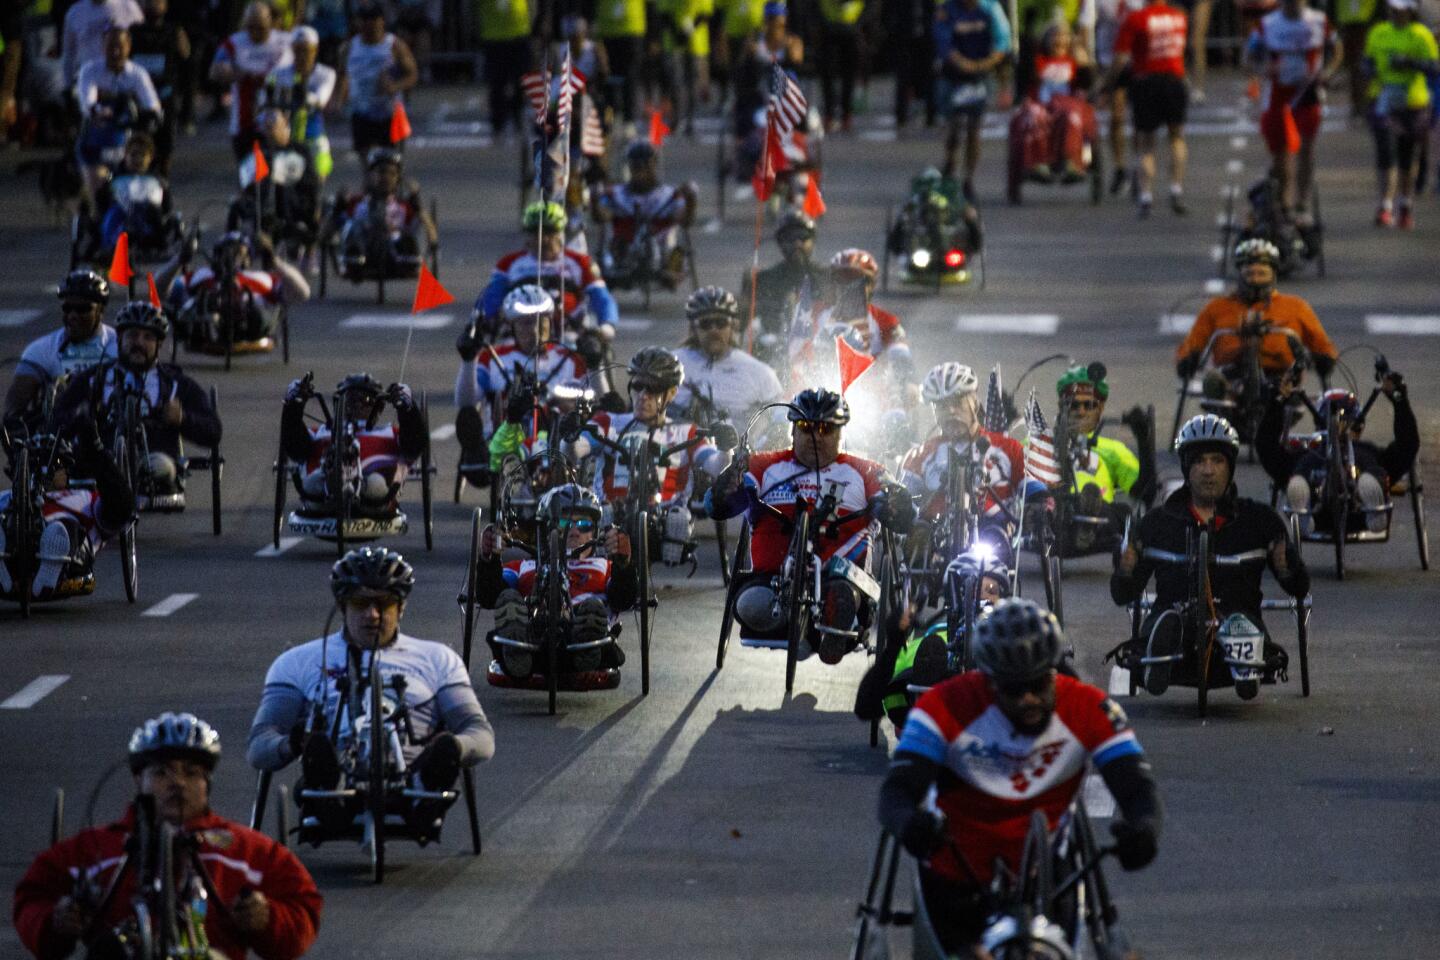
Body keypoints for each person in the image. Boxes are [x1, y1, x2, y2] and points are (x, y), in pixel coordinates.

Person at [877, 599, 1161, 955]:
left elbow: (1136, 786)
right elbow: (896, 791)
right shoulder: (943, 706)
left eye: (1038, 684)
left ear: (1054, 671)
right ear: (990, 681)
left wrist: (1145, 827)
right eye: (1013, 689)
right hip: (957, 871)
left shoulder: (1090, 707)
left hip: (1048, 874)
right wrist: (908, 825)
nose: (1028, 698)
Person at [15, 712, 322, 960]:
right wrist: (55, 921)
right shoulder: (95, 848)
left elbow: (303, 911)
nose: (177, 784)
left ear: (207, 781)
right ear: (139, 780)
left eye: (191, 773)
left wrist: (267, 918)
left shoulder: (247, 851)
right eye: (162, 773)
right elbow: (32, 898)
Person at [248, 548, 493, 841]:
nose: (372, 615)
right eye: (361, 603)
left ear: (401, 607)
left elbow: (479, 732)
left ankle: (422, 795)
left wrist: (454, 746)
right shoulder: (298, 662)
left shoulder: (437, 658)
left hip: (412, 774)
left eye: (384, 604)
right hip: (334, 774)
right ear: (342, 606)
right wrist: (293, 743)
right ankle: (330, 795)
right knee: (318, 750)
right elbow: (260, 743)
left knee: (442, 751)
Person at [707, 387, 915, 663]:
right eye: (806, 427)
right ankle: (801, 625)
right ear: (792, 430)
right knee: (749, 603)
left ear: (842, 433)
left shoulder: (865, 471)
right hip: (773, 584)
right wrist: (725, 487)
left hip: (843, 579)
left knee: (842, 590)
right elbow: (717, 507)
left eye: (826, 429)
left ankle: (834, 625)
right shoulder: (762, 465)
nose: (815, 437)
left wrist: (897, 503)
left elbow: (903, 516)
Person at [1112, 414, 1310, 699]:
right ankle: (1159, 658)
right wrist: (1125, 570)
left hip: (1238, 617)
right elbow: (1123, 595)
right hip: (1175, 622)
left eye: (1217, 461)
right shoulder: (1157, 523)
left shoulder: (1260, 520)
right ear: (1186, 467)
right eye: (1199, 462)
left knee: (1240, 624)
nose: (1208, 471)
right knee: (1167, 622)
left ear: (1229, 467)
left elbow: (1298, 589)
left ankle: (1246, 663)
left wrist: (1287, 568)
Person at [52, 301, 221, 506]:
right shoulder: (92, 379)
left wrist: (182, 419)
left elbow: (213, 431)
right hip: (99, 463)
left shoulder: (176, 384)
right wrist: (83, 416)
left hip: (153, 464)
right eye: (132, 335)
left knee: (161, 466)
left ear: (159, 344)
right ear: (120, 338)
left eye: (148, 337)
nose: (139, 343)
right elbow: (54, 423)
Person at [585, 347, 735, 565]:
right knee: (600, 512)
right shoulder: (609, 423)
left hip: (664, 520)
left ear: (671, 394)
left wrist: (725, 447)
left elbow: (716, 466)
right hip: (613, 515)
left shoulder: (687, 432)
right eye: (638, 386)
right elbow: (574, 449)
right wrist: (571, 435)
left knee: (677, 519)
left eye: (653, 389)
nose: (643, 396)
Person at [475, 483, 638, 679]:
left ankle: (585, 647)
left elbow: (624, 599)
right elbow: (489, 596)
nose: (574, 531)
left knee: (592, 608)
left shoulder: (605, 567)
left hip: (585, 644)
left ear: (594, 532)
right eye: (563, 523)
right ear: (546, 529)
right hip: (533, 644)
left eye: (583, 525)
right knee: (508, 598)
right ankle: (516, 651)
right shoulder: (525, 567)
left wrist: (624, 565)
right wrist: (489, 560)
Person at [454, 285, 589, 484]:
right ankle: (483, 462)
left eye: (540, 321)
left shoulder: (569, 359)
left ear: (550, 322)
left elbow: (589, 405)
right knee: (467, 416)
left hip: (553, 434)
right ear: (513, 326)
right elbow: (465, 401)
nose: (534, 330)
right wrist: (468, 360)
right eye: (526, 323)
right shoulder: (493, 358)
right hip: (503, 435)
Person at [1258, 370, 1418, 535]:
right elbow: (1266, 447)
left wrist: (1399, 399)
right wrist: (1277, 400)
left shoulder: (1367, 451)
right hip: (1316, 515)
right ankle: (1300, 493)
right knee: (1304, 463)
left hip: (1359, 515)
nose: (1340, 427)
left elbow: (1407, 445)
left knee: (1368, 462)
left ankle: (1371, 493)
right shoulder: (1308, 453)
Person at [900, 362, 1026, 561]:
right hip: (936, 537)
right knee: (918, 536)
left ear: (975, 402)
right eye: (941, 405)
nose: (950, 411)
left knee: (995, 535)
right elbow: (905, 498)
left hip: (990, 530)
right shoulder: (919, 455)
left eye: (957, 402)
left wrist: (1039, 499)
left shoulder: (1009, 448)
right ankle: (920, 588)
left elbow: (1030, 486)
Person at [1175, 238, 1337, 389]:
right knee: (1211, 384)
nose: (1255, 280)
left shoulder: (1296, 306)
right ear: (1240, 275)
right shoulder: (1217, 307)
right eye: (1250, 274)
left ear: (1272, 275)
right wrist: (1187, 359)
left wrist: (1324, 358)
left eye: (1262, 274)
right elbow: (1193, 342)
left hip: (1282, 378)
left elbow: (1321, 343)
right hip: (1229, 378)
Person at [0, 428, 133, 601]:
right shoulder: (7, 497)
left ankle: (51, 566)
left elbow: (118, 509)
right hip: (15, 551)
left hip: (71, 557)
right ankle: (4, 569)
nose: (41, 471)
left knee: (63, 528)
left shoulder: (84, 497)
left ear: (66, 470)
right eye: (34, 466)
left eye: (54, 465)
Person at [1246, 0, 1342, 223]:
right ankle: (1282, 202)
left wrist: (1327, 72)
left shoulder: (1319, 21)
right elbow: (1248, 58)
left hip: (1308, 95)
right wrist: (1263, 69)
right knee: (1283, 155)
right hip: (1278, 98)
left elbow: (1337, 49)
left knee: (1306, 149)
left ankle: (1301, 203)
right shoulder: (1268, 24)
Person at [281, 373, 424, 518]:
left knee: (376, 482)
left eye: (366, 400)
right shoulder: (320, 432)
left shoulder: (391, 433)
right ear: (338, 404)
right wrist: (294, 404)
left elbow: (414, 445)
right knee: (311, 483)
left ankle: (353, 485)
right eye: (350, 399)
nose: (357, 404)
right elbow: (294, 446)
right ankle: (334, 481)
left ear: (378, 407)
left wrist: (407, 408)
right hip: (321, 498)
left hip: (375, 500)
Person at [478, 201, 620, 346]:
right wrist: (486, 320)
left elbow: (602, 297)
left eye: (549, 232)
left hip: (570, 335)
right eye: (536, 233)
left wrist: (607, 324)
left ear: (561, 234)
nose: (543, 239)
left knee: (592, 353)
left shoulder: (581, 263)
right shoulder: (508, 263)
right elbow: (492, 296)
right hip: (520, 337)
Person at [1049, 362, 1155, 551]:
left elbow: (1145, 493)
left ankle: (1086, 522)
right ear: (1061, 406)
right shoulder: (1039, 443)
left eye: (1088, 405)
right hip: (1051, 511)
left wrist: (1144, 442)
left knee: (1124, 512)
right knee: (1040, 503)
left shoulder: (1113, 449)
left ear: (1100, 409)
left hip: (1100, 514)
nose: (1081, 411)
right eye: (1074, 405)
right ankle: (1069, 517)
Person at [159, 230, 311, 353]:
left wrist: (275, 262)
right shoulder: (200, 275)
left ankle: (238, 316)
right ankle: (213, 321)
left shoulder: (262, 278)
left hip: (252, 324)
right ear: (216, 255)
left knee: (259, 308)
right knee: (190, 305)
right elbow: (159, 290)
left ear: (248, 257)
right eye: (226, 251)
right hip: (205, 324)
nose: (231, 257)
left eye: (238, 252)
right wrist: (179, 260)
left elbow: (303, 292)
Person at [3, 270, 116, 431]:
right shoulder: (40, 349)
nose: (73, 315)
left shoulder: (119, 346)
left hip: (108, 432)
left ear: (100, 311)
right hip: (59, 436)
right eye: (67, 308)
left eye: (82, 309)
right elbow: (14, 407)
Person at [1108, 0, 1189, 217]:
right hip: (1174, 79)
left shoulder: (1136, 19)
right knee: (1177, 138)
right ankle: (1176, 188)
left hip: (1146, 81)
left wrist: (1109, 83)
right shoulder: (1179, 17)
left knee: (1146, 143)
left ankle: (1146, 196)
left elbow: (1121, 57)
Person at [1362, 0, 1436, 228]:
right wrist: (1370, 70)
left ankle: (1406, 204)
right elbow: (1367, 61)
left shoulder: (1421, 35)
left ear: (1410, 11)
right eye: (1393, 9)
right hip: (1384, 101)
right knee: (1386, 153)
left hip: (1413, 103)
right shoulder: (1379, 32)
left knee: (1408, 157)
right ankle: (1385, 205)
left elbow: (1434, 67)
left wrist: (1411, 62)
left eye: (1400, 10)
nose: (1396, 14)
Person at [673, 285, 785, 429]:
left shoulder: (761, 373)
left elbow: (780, 422)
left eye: (721, 323)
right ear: (693, 329)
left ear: (733, 326)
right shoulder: (672, 364)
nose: (714, 330)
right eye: (705, 324)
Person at [593, 140, 699, 290]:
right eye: (636, 166)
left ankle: (671, 269)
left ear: (654, 165)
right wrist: (594, 200)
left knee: (672, 238)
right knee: (611, 236)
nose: (640, 171)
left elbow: (685, 221)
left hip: (662, 251)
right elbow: (601, 217)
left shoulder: (670, 195)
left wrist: (691, 201)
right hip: (624, 250)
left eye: (645, 166)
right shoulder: (616, 193)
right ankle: (613, 265)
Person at [74, 24, 163, 199]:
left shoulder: (137, 74)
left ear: (128, 47)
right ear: (103, 47)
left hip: (125, 142)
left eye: (120, 47)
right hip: (96, 141)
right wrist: (98, 111)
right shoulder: (90, 71)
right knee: (98, 190)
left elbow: (151, 103)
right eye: (110, 47)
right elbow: (87, 101)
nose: (115, 52)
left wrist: (151, 115)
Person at [933, 0, 1013, 194]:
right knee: (953, 126)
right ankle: (950, 163)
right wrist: (963, 64)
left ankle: (968, 177)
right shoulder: (946, 10)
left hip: (980, 75)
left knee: (973, 128)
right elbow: (943, 42)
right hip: (953, 76)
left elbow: (1003, 40)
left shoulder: (990, 8)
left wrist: (987, 63)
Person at [1011, 22, 1098, 183]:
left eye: (1064, 36)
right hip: (1042, 105)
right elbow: (1024, 81)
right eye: (1055, 36)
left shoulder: (1074, 62)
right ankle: (1038, 162)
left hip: (1068, 106)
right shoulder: (1037, 61)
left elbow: (1087, 84)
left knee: (1071, 116)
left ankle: (1071, 160)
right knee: (1034, 115)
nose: (1059, 40)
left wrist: (1084, 63)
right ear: (1046, 40)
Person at [333, 147, 437, 280]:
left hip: (396, 249)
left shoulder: (404, 206)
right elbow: (332, 228)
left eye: (391, 173)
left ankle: (410, 258)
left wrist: (416, 201)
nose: (386, 178)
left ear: (398, 178)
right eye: (381, 172)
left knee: (413, 228)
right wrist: (339, 205)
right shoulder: (358, 202)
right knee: (352, 224)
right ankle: (353, 256)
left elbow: (426, 227)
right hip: (364, 248)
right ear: (371, 175)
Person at [210, 0, 293, 161]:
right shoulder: (235, 42)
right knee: (250, 176)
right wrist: (233, 73)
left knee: (277, 174)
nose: (255, 33)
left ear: (271, 22)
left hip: (278, 121)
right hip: (244, 122)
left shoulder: (286, 41)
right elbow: (214, 71)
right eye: (251, 27)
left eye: (260, 27)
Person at [740, 209, 824, 364]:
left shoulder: (828, 278)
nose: (797, 243)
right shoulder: (763, 279)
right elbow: (744, 324)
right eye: (790, 238)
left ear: (812, 240)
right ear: (780, 242)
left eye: (803, 237)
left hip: (817, 350)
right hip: (773, 351)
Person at [337, 2, 419, 162]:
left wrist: (394, 86)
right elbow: (342, 76)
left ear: (382, 21)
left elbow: (412, 74)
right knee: (367, 165)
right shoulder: (349, 48)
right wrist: (339, 100)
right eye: (365, 19)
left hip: (389, 112)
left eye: (374, 19)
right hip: (361, 112)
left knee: (391, 164)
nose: (370, 24)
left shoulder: (394, 45)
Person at [264, 25, 337, 183]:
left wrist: (305, 96)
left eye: (307, 50)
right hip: (285, 139)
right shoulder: (278, 74)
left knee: (317, 181)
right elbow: (266, 100)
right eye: (298, 50)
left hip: (314, 138)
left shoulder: (326, 74)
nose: (302, 55)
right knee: (279, 183)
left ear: (315, 50)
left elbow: (321, 99)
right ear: (292, 49)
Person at [128, 0, 190, 175]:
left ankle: (163, 179)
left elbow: (185, 55)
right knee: (139, 138)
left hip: (165, 95)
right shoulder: (133, 32)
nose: (152, 5)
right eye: (147, 2)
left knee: (165, 142)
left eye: (157, 2)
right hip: (139, 96)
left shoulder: (174, 31)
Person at [476, 0, 534, 137]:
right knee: (497, 83)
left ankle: (517, 113)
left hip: (519, 32)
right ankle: (498, 121)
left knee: (521, 79)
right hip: (494, 36)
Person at [61, 0, 143, 91]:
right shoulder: (75, 12)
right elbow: (68, 54)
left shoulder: (128, 6)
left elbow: (142, 45)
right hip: (89, 82)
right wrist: (67, 86)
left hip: (123, 82)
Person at [596, 0, 647, 130]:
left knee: (630, 76)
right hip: (607, 27)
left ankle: (628, 119)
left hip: (631, 27)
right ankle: (611, 116)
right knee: (608, 76)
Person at [816, 0, 865, 133]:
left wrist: (862, 22)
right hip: (828, 26)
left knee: (849, 74)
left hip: (852, 26)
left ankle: (846, 114)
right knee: (827, 73)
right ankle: (829, 114)